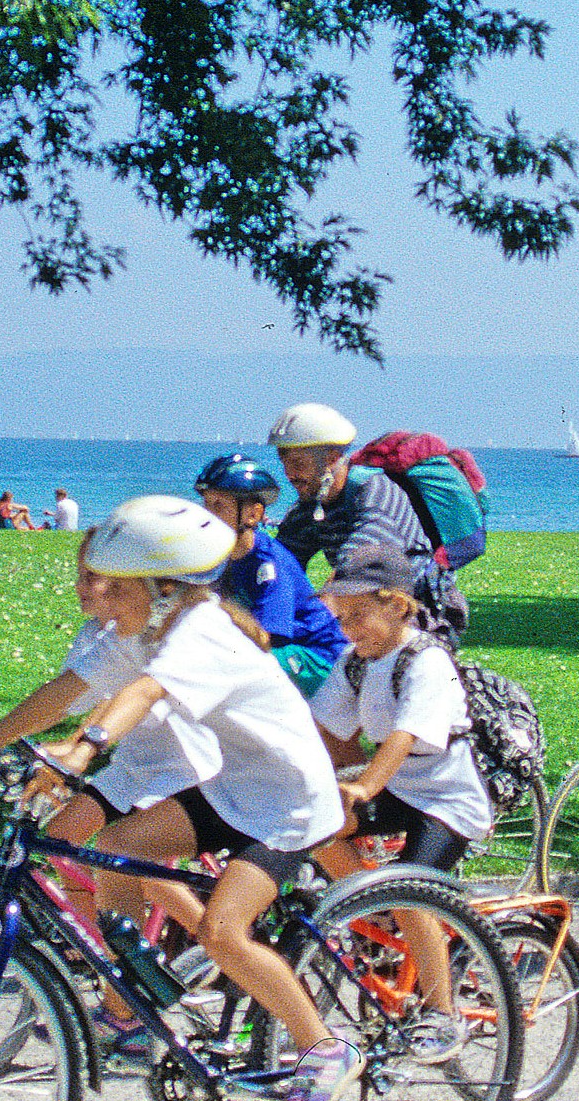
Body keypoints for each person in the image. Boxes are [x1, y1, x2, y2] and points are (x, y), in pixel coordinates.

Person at [0, 497, 363, 1101]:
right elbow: (64, 691)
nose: (100, 600)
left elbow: (143, 692)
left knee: (223, 932)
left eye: (114, 587)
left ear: (162, 585)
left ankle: (325, 1047)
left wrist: (86, 748)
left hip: (286, 802)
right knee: (114, 848)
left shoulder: (204, 630)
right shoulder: (149, 628)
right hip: (229, 786)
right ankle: (135, 998)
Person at [307, 543, 484, 1054]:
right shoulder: (356, 662)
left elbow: (403, 736)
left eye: (359, 614)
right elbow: (321, 725)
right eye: (341, 616)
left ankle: (441, 1013)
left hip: (448, 801)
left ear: (399, 606)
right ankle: (375, 909)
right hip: (402, 790)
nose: (348, 628)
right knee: (316, 827)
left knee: (410, 889)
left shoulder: (426, 661)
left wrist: (363, 787)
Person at [267, 401, 467, 640]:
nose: (289, 474)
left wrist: (316, 617)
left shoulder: (377, 490)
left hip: (420, 613)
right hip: (365, 609)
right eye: (285, 463)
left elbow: (358, 561)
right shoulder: (307, 509)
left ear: (331, 458)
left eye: (298, 463)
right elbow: (280, 563)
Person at [196, 452, 348, 691]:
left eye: (219, 506)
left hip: (318, 656)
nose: (208, 514)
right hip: (284, 649)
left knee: (244, 666)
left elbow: (267, 638)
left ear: (253, 514)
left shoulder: (267, 564)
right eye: (206, 504)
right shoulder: (220, 558)